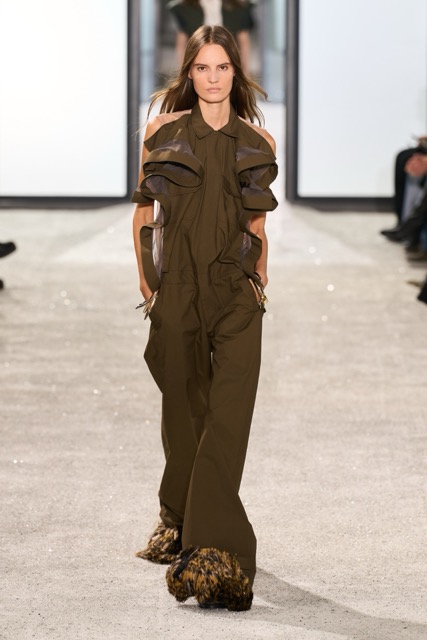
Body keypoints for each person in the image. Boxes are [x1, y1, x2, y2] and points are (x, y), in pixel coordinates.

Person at [131, 25, 277, 611]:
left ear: (236, 72)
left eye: (222, 67)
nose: (212, 78)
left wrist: (260, 282)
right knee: (185, 408)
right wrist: (150, 287)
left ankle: (218, 554)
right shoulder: (161, 132)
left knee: (229, 416)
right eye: (202, 67)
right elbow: (145, 214)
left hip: (236, 292)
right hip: (179, 290)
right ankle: (178, 514)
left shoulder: (258, 140)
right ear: (187, 72)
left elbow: (257, 225)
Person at [167, 0, 255, 73]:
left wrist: (244, 73)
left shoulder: (240, 7)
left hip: (230, 65)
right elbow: (182, 44)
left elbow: (243, 43)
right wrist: (183, 72)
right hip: (197, 65)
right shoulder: (183, 8)